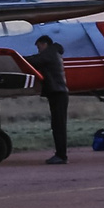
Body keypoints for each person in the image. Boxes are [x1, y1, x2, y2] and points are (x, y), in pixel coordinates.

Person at [32, 35, 72, 165]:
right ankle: (60, 154)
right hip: (58, 93)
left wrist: (16, 59)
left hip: (57, 93)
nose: (39, 50)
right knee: (57, 125)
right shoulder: (54, 53)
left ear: (44, 44)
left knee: (58, 126)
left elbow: (35, 61)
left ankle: (61, 155)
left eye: (39, 47)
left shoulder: (49, 53)